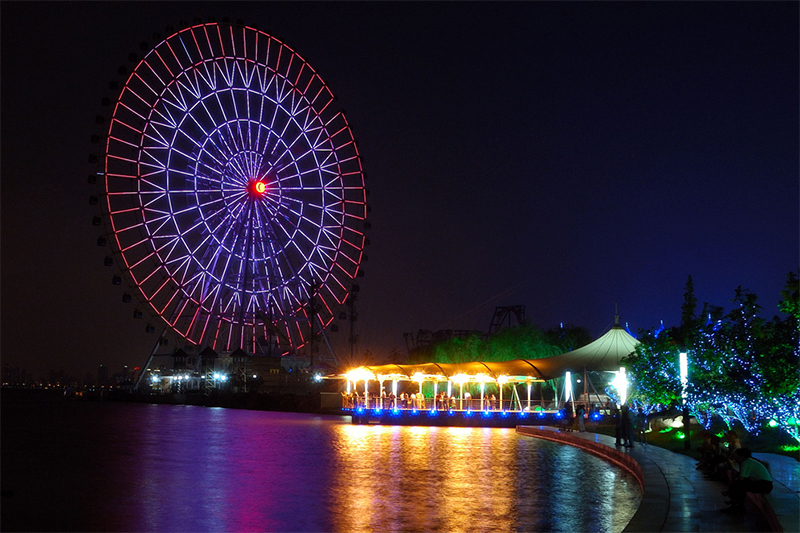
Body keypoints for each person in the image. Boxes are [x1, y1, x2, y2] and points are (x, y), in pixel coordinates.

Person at [721, 448, 773, 513]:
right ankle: (736, 504)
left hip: (764, 485)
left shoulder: (746, 463)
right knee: (740, 484)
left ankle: (736, 505)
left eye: (736, 455)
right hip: (764, 484)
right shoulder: (747, 461)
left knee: (740, 485)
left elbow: (742, 478)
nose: (734, 456)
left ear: (741, 456)